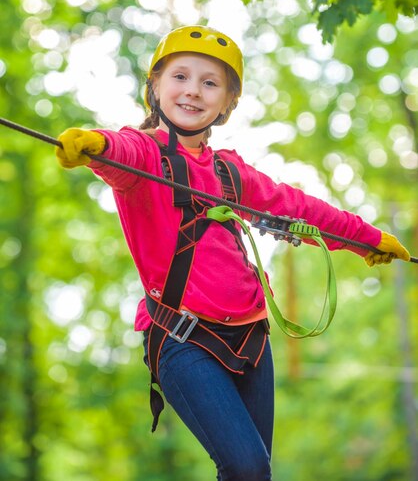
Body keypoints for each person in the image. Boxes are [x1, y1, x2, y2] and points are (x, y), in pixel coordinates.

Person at [56, 25, 410, 481]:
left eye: (210, 83)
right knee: (245, 467)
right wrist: (94, 146)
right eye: (180, 77)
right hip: (184, 339)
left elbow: (299, 206)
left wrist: (366, 239)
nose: (193, 91)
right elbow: (119, 150)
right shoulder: (143, 158)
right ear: (156, 86)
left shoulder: (230, 171)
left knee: (255, 474)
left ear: (226, 103)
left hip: (253, 340)